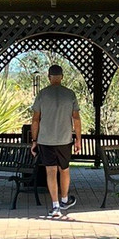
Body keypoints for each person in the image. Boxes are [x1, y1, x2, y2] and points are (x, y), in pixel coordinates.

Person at [30, 64, 82, 219]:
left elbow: (35, 120)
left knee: (50, 171)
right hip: (65, 139)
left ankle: (55, 206)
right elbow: (77, 119)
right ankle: (65, 199)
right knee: (64, 169)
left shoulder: (42, 94)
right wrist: (78, 139)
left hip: (46, 139)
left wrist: (34, 140)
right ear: (62, 77)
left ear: (49, 77)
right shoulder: (70, 94)